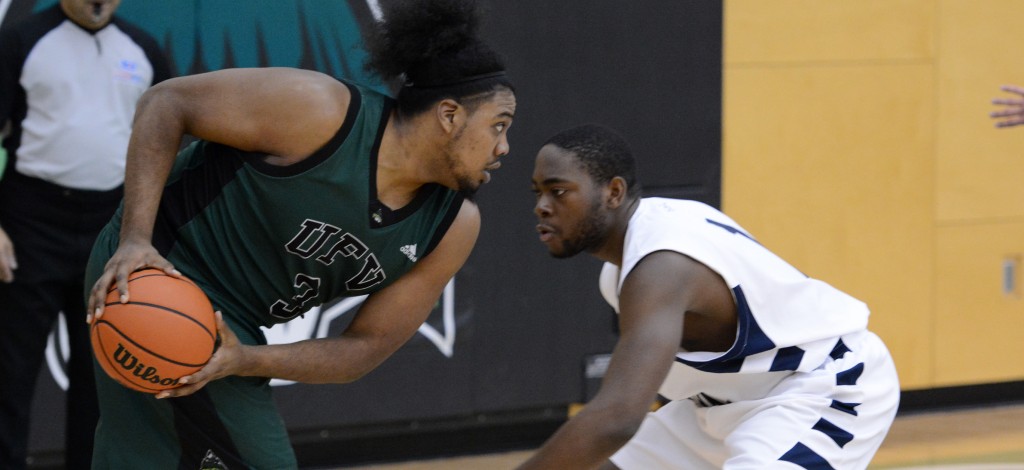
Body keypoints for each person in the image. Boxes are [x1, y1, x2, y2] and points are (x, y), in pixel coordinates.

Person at [83, 0, 515, 467]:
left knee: (145, 454)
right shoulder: (321, 112)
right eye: (498, 126)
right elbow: (165, 103)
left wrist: (245, 359)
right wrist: (135, 240)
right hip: (161, 269)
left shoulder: (453, 226)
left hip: (236, 325)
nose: (503, 147)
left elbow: (363, 349)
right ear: (449, 116)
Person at [520, 124, 900, 469]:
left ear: (614, 192)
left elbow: (618, 416)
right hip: (717, 409)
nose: (542, 206)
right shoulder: (626, 266)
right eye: (538, 193)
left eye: (559, 191)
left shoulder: (663, 265)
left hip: (820, 385)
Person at [0, 1, 170, 468]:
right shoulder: (21, 40)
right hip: (29, 221)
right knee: (9, 375)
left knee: (102, 381)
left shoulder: (143, 48)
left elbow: (171, 144)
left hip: (111, 226)